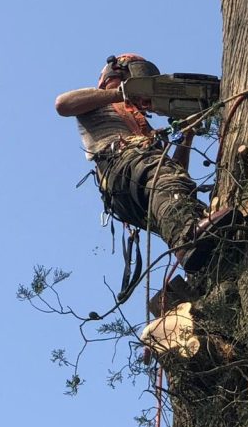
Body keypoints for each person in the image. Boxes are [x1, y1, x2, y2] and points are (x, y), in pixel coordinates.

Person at [55, 53, 235, 273]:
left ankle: (209, 254)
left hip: (134, 194)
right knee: (163, 180)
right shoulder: (98, 101)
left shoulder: (144, 132)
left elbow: (176, 175)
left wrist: (187, 136)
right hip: (120, 170)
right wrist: (122, 93)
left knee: (178, 189)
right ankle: (188, 239)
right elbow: (62, 104)